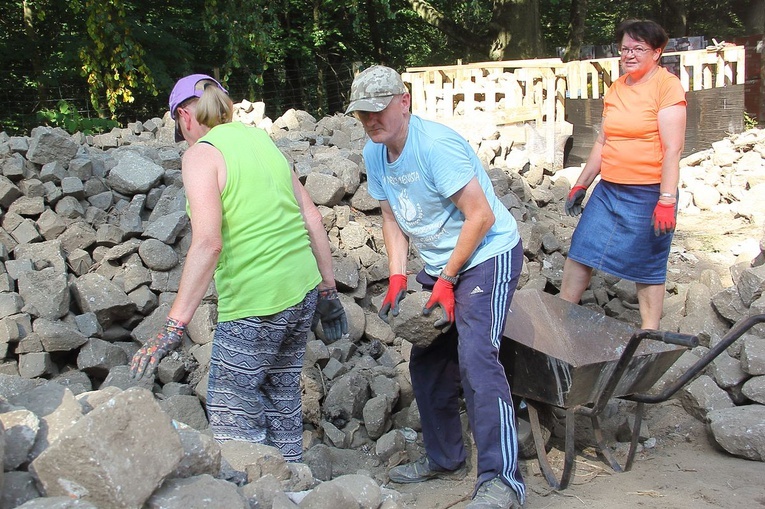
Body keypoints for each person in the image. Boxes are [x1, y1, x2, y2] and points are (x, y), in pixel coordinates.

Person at [130, 74, 348, 462]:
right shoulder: (262, 140)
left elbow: (208, 243)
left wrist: (173, 325)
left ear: (184, 116)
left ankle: (259, 492)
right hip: (302, 291)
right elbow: (312, 217)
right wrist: (328, 290)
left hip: (256, 300)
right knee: (280, 392)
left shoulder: (200, 154)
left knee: (233, 412)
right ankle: (294, 487)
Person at [347, 65, 525, 509]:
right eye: (361, 113)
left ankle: (502, 482)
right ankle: (446, 460)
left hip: (487, 254)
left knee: (477, 359)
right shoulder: (376, 153)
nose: (370, 120)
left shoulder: (436, 146)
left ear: (403, 101)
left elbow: (480, 216)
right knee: (427, 363)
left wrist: (446, 280)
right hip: (442, 260)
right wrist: (399, 275)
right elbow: (391, 218)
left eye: (378, 109)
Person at [560, 19, 686, 330]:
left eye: (638, 48)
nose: (629, 55)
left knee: (648, 262)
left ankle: (649, 331)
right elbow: (604, 141)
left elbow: (673, 149)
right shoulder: (617, 87)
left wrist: (666, 199)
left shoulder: (667, 87)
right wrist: (582, 182)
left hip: (649, 193)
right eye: (624, 48)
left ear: (657, 52)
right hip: (609, 190)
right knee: (582, 249)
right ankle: (559, 318)